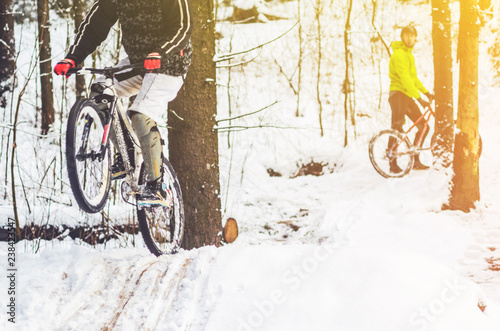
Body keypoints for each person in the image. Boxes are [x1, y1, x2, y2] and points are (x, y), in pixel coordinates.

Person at [54, 0, 192, 206]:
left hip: (170, 63)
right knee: (101, 90)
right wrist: (73, 58)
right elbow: (94, 27)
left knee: (140, 114)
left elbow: (183, 27)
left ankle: (157, 187)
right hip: (138, 63)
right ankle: (126, 151)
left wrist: (161, 52)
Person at [388, 25, 433, 174]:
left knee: (424, 127)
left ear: (415, 38)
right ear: (402, 37)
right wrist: (419, 98)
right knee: (397, 126)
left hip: (407, 94)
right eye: (406, 35)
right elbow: (405, 78)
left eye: (412, 35)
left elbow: (413, 78)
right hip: (397, 94)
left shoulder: (409, 55)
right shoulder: (399, 54)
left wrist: (426, 92)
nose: (409, 38)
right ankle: (392, 163)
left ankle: (415, 160)